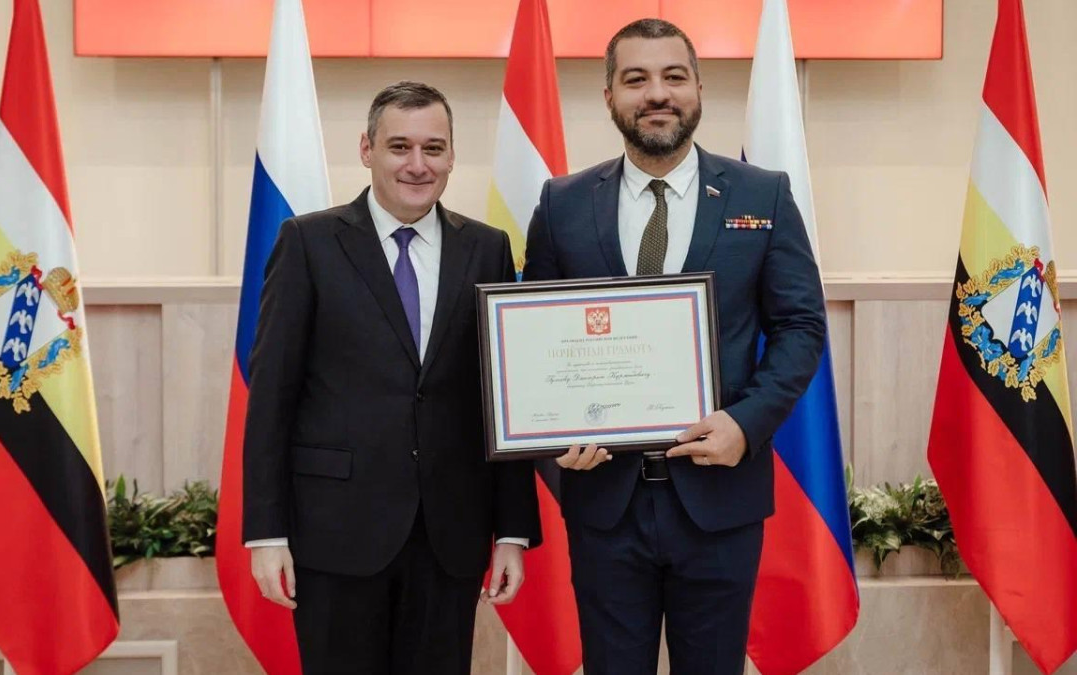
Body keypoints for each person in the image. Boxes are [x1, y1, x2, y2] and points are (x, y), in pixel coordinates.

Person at [522, 19, 826, 675]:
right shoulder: (562, 204)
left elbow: (801, 327)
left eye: (673, 76)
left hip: (720, 498)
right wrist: (555, 437)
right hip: (604, 502)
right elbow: (537, 340)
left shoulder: (763, 194)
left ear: (698, 89)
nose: (657, 93)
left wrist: (745, 424)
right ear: (609, 96)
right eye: (636, 79)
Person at [242, 81, 541, 675]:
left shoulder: (487, 248)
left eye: (434, 148)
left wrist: (512, 529)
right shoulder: (308, 243)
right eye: (399, 146)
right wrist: (266, 534)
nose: (417, 164)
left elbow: (500, 398)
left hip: (450, 535)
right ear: (367, 149)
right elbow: (272, 396)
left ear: (452, 156)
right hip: (335, 532)